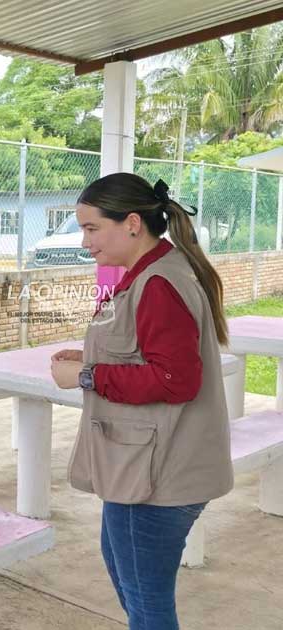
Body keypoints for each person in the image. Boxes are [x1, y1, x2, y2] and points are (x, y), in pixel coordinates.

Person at [51, 174, 232, 630]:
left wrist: (88, 375)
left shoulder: (158, 282)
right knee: (133, 587)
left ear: (132, 223)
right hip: (143, 467)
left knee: (148, 606)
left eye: (92, 228)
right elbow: (145, 350)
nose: (85, 241)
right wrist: (91, 355)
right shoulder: (153, 272)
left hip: (158, 475)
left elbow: (175, 381)